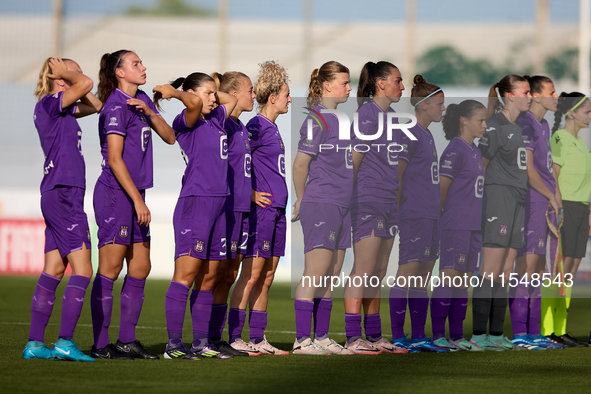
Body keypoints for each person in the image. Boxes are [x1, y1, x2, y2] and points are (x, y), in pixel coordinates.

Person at [91, 50, 176, 360]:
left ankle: (127, 340)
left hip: (135, 196)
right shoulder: (115, 106)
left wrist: (151, 112)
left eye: (142, 62)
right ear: (119, 72)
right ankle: (101, 345)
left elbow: (169, 137)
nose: (143, 67)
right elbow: (114, 159)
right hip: (116, 195)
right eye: (136, 64)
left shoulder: (142, 100)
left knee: (141, 266)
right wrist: (138, 200)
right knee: (110, 269)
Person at [154, 72, 238, 359]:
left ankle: (201, 344)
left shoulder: (215, 119)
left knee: (210, 276)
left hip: (219, 205)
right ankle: (173, 346)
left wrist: (212, 85)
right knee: (186, 274)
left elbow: (233, 97)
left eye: (214, 94)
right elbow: (191, 104)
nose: (214, 98)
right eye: (207, 93)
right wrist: (176, 92)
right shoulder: (185, 121)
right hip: (196, 203)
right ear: (191, 93)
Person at [24, 57, 102, 362]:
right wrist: (71, 77)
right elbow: (86, 85)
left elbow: (95, 105)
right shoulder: (50, 103)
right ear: (59, 78)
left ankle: (34, 344)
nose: (80, 74)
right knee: (84, 269)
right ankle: (65, 342)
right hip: (64, 193)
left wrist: (72, 78)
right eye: (73, 70)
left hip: (60, 193)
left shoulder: (63, 107)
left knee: (55, 269)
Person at [342, 61, 408, 354]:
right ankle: (353, 337)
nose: (402, 86)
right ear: (380, 83)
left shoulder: (393, 117)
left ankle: (374, 336)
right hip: (367, 200)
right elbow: (354, 160)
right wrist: (345, 199)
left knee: (379, 272)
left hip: (388, 203)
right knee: (364, 269)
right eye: (397, 80)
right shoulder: (367, 114)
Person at [228, 61, 291, 355]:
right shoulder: (254, 126)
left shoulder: (272, 128)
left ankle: (258, 338)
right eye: (287, 94)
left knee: (267, 277)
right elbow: (234, 158)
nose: (290, 99)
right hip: (262, 212)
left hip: (278, 209)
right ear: (274, 96)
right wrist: (250, 193)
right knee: (251, 275)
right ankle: (235, 336)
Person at [292, 61, 354, 355]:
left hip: (343, 204)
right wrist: (302, 199)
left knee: (332, 272)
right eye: (344, 82)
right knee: (315, 272)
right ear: (327, 85)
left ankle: (322, 337)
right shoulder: (315, 120)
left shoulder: (340, 119)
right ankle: (302, 340)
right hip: (321, 202)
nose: (349, 88)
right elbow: (300, 164)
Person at [470, 74, 531, 351]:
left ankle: (495, 335)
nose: (530, 97)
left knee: (506, 271)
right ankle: (478, 335)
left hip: (518, 202)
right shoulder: (493, 126)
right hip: (498, 200)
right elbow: (480, 166)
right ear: (509, 96)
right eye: (525, 92)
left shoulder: (519, 127)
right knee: (490, 269)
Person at [390, 75, 449, 353]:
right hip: (414, 214)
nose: (443, 109)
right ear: (424, 105)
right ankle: (398, 337)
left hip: (430, 216)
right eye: (439, 103)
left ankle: (419, 336)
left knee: (423, 276)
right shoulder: (409, 132)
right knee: (407, 274)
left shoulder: (427, 134)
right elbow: (397, 176)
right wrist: (399, 210)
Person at [510, 76, 564, 350]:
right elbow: (529, 171)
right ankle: (520, 334)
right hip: (531, 204)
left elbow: (546, 168)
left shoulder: (543, 125)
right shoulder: (526, 124)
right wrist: (551, 196)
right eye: (552, 92)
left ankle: (534, 334)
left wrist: (555, 197)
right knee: (526, 269)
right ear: (538, 97)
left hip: (543, 205)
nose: (557, 97)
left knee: (538, 271)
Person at [208, 71, 258, 356]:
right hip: (225, 208)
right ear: (234, 93)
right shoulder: (223, 123)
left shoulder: (239, 126)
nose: (253, 95)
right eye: (249, 89)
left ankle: (217, 339)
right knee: (215, 275)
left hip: (242, 210)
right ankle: (205, 339)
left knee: (229, 276)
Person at [431, 99, 486, 352]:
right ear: (465, 121)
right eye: (481, 121)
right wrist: (437, 221)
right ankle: (437, 336)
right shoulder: (455, 149)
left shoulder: (474, 150)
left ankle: (456, 335)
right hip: (455, 224)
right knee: (450, 278)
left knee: (464, 281)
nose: (484, 125)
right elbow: (441, 189)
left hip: (473, 225)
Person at [542, 92, 591, 347]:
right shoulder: (559, 138)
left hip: (581, 209)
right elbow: (553, 175)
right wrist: (557, 207)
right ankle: (548, 330)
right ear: (571, 112)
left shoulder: (581, 143)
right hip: (566, 208)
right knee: (558, 270)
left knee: (570, 270)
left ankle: (561, 330)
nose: (590, 116)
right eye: (587, 112)